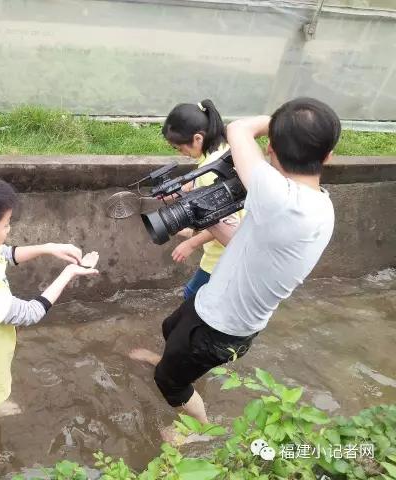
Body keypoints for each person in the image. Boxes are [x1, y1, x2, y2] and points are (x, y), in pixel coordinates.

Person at [131, 97, 340, 440]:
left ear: (270, 146)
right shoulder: (316, 206)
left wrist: (278, 122)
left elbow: (238, 129)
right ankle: (173, 363)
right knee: (171, 328)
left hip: (222, 328)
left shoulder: (277, 196)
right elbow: (242, 242)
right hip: (214, 303)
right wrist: (203, 216)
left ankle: (200, 429)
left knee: (167, 382)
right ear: (328, 156)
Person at [0, 171, 99, 468]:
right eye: (6, 224)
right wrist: (69, 273)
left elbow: (4, 254)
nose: (9, 229)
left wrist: (49, 248)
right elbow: (30, 313)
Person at [160, 99, 243, 300]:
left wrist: (191, 243)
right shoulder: (223, 153)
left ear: (198, 138)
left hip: (221, 257)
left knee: (192, 296)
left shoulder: (208, 171)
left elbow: (228, 222)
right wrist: (179, 189)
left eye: (180, 148)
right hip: (234, 253)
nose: (183, 154)